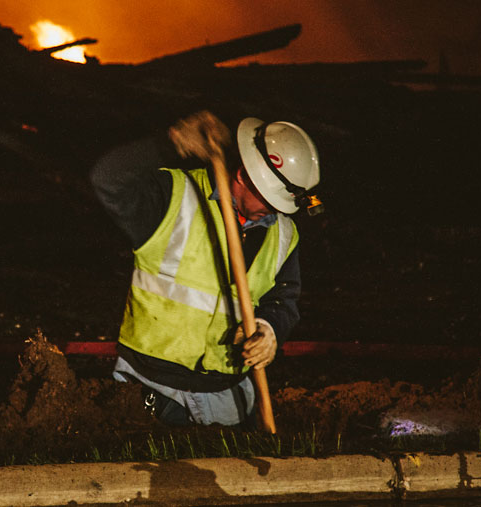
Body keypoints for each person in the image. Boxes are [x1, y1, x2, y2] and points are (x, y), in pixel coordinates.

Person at [90, 110, 321, 426]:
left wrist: (270, 329)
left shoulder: (284, 234)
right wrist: (169, 144)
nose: (278, 211)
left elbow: (283, 300)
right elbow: (107, 179)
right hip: (151, 388)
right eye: (270, 201)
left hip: (227, 397)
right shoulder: (174, 198)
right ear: (243, 176)